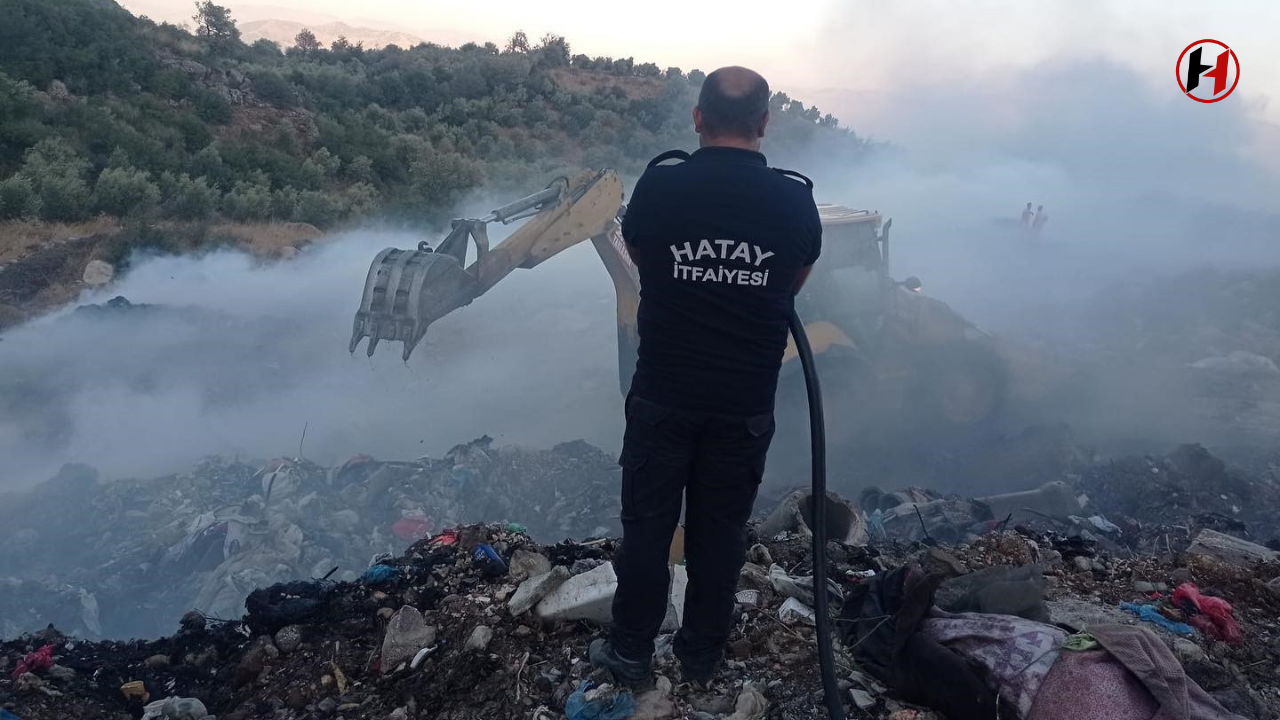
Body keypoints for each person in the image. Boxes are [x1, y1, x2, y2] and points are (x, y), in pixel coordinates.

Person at [588, 66, 822, 688]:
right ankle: (700, 659)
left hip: (664, 395)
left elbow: (640, 258)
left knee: (647, 529)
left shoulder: (660, 189)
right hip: (743, 406)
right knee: (719, 536)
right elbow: (792, 282)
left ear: (697, 118)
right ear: (765, 124)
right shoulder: (796, 200)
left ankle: (631, 651)